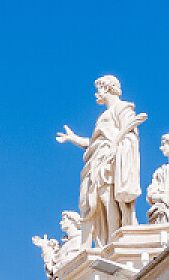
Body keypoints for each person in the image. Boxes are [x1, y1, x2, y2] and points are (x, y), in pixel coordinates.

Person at [56, 76, 148, 246]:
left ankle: (115, 239)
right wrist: (73, 138)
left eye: (98, 89)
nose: (96, 94)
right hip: (97, 161)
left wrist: (117, 151)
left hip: (110, 161)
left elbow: (130, 135)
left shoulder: (122, 108)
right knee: (97, 203)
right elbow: (94, 142)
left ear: (108, 89)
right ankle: (106, 242)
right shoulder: (103, 115)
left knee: (109, 199)